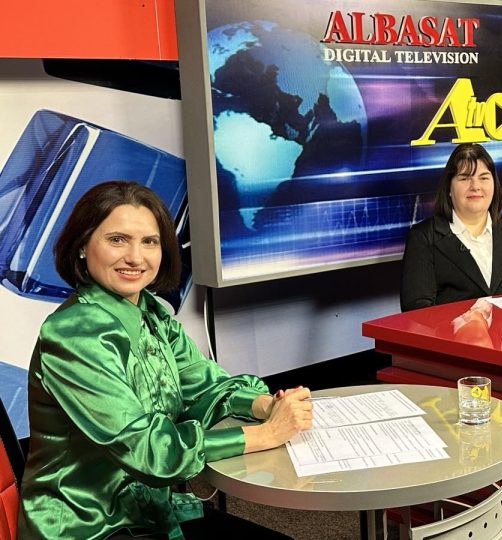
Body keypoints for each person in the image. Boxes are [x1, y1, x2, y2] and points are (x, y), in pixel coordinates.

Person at [17, 181, 313, 539]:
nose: (136, 257)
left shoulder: (151, 313)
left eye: (149, 242)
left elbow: (206, 385)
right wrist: (266, 433)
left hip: (149, 510)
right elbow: (149, 452)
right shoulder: (74, 334)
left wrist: (265, 405)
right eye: (117, 240)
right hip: (88, 526)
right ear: (82, 245)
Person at [400, 143, 502, 311]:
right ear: (449, 188)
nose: (475, 186)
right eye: (464, 178)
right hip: (452, 328)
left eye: (484, 178)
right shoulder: (423, 237)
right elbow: (417, 311)